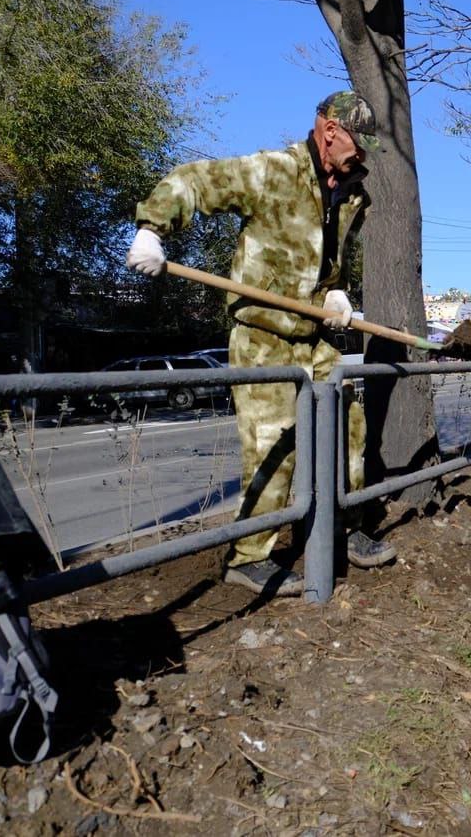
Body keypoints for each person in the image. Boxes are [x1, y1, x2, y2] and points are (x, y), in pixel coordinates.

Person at [125, 90, 395, 597]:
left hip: (314, 337)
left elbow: (328, 259)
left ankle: (344, 530)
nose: (362, 155)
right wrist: (152, 228)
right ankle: (249, 557)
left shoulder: (353, 193)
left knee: (348, 429)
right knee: (274, 445)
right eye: (358, 143)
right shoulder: (275, 172)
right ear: (329, 129)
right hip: (263, 338)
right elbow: (195, 181)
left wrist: (337, 289)